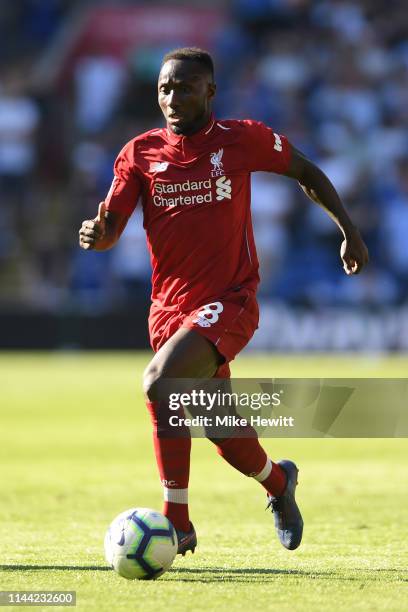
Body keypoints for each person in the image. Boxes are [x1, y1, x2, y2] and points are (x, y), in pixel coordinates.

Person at [79, 47, 369, 555]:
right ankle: (279, 482)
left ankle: (177, 521)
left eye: (185, 87)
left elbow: (307, 172)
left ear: (210, 92)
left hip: (229, 300)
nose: (172, 97)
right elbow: (111, 231)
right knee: (219, 427)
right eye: (166, 88)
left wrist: (348, 229)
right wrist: (98, 234)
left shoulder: (242, 140)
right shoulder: (139, 153)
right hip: (167, 309)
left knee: (160, 382)